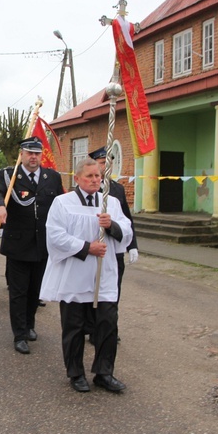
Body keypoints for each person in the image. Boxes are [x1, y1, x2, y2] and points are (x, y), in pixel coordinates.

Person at [39, 158, 132, 393]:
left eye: (98, 176)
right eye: (89, 176)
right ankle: (76, 373)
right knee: (74, 326)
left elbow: (127, 230)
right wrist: (86, 247)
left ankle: (104, 372)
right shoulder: (63, 203)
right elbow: (55, 236)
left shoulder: (110, 203)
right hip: (75, 275)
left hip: (104, 275)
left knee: (108, 324)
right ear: (77, 178)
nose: (95, 180)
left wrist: (111, 226)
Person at [0, 136, 64, 354]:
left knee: (35, 291)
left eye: (37, 153)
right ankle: (19, 334)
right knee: (19, 292)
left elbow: (61, 204)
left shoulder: (52, 177)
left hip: (43, 245)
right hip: (18, 244)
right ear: (21, 154)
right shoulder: (9, 175)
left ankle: (30, 324)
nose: (33, 157)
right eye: (29, 153)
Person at [89, 146, 138, 342]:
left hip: (115, 248)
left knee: (113, 290)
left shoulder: (117, 188)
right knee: (94, 291)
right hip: (95, 248)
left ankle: (109, 328)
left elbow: (127, 219)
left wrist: (132, 244)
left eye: (108, 162)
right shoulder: (87, 188)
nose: (106, 166)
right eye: (102, 163)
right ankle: (93, 329)